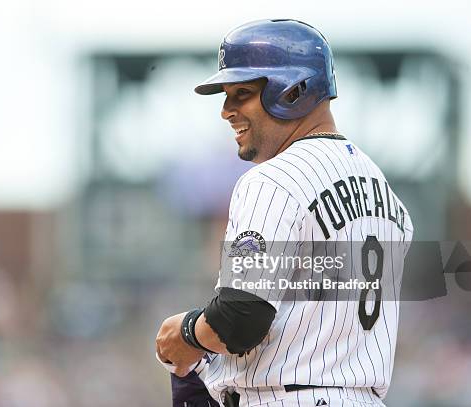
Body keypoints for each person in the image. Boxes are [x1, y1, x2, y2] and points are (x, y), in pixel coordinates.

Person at [155, 19, 414, 407]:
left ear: (293, 91)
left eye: (241, 93)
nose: (226, 111)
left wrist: (187, 332)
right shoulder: (386, 194)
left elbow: (241, 317)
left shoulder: (273, 180)